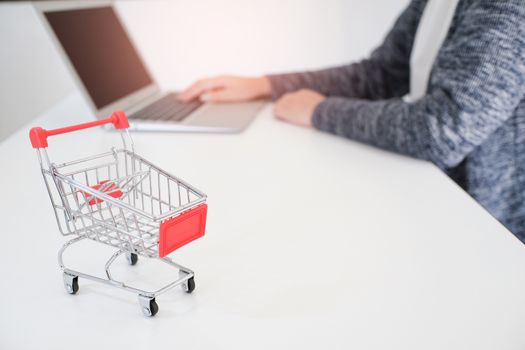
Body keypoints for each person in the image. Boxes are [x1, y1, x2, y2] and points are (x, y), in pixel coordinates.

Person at [178, 0, 525, 242]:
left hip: (488, 226)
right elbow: (382, 73)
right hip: (435, 198)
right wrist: (266, 85)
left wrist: (319, 111)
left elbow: (443, 130)